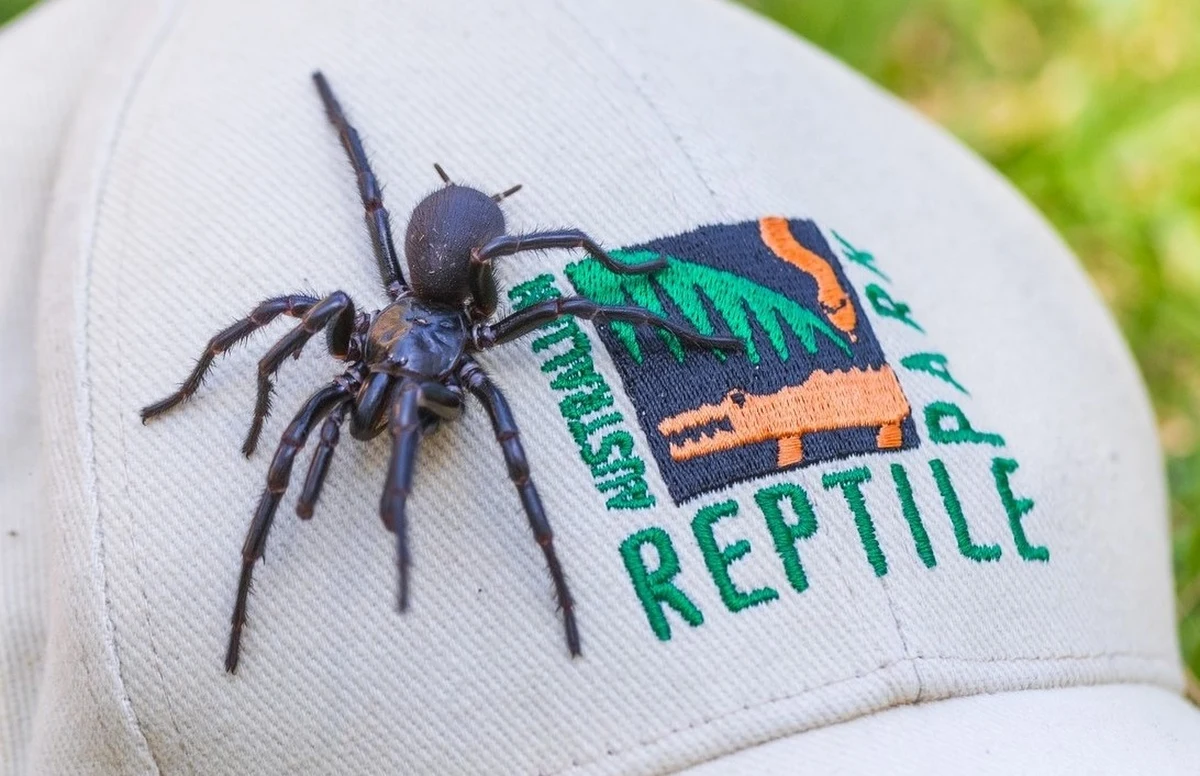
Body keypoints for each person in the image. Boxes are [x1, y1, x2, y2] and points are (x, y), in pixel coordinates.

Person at [3, 0, 1199, 773]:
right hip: (414, 310)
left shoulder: (480, 323)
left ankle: (562, 590)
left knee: (536, 367)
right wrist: (261, 398)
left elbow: (556, 312)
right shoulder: (364, 334)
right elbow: (293, 340)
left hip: (447, 303)